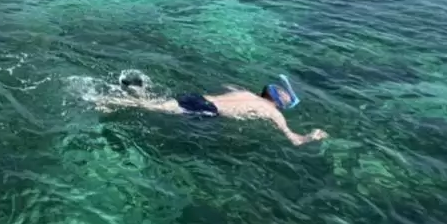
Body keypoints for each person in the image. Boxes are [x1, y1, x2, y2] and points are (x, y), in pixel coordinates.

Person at [93, 73, 328, 146]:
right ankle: (108, 101)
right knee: (153, 108)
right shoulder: (273, 113)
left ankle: (138, 90)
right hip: (206, 109)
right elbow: (294, 139)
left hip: (197, 97)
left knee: (160, 104)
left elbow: (229, 86)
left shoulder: (245, 92)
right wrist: (313, 136)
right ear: (278, 102)